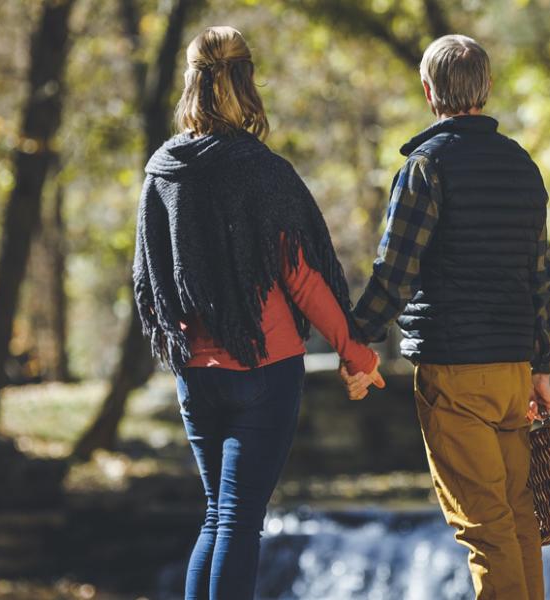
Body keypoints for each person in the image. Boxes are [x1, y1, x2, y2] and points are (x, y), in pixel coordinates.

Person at [132, 26, 383, 600]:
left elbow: (152, 274)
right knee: (238, 523)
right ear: (247, 82)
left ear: (190, 83)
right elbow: (300, 274)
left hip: (195, 370)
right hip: (265, 368)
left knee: (216, 517)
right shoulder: (261, 169)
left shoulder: (162, 170)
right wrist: (357, 354)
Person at [343, 34, 550, 600]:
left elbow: (396, 271)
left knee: (486, 530)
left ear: (427, 92)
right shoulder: (522, 166)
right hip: (515, 369)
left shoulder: (426, 167)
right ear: (486, 89)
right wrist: (542, 363)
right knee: (520, 521)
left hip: (454, 372)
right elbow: (540, 274)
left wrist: (355, 338)